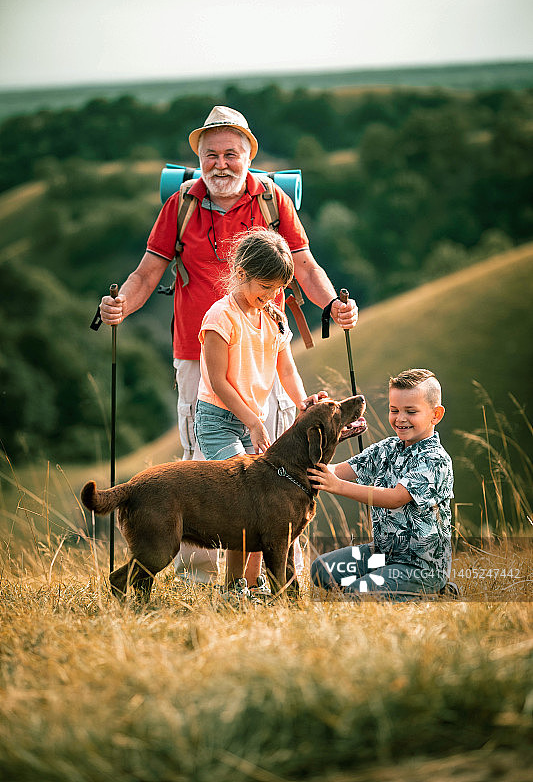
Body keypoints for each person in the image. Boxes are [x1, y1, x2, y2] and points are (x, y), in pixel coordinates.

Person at [99, 105, 358, 581]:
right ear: (199, 159)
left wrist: (333, 306)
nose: (221, 163)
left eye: (231, 154)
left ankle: (274, 580)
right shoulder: (181, 205)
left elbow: (305, 266)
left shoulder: (272, 200)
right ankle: (204, 582)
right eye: (211, 155)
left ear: (248, 155)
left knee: (282, 469)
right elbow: (146, 273)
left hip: (262, 353)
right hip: (197, 355)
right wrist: (119, 307)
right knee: (201, 470)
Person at [195, 228, 327, 591]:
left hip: (253, 419)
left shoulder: (272, 317)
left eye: (278, 289)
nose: (271, 296)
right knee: (243, 502)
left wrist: (303, 402)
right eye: (264, 287)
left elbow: (286, 368)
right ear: (241, 274)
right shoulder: (220, 318)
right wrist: (253, 421)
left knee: (262, 504)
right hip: (219, 420)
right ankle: (233, 587)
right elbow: (218, 381)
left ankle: (251, 586)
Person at [309, 369, 454, 600]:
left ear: (435, 415)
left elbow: (396, 498)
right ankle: (384, 581)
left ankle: (433, 589)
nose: (400, 418)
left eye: (411, 411)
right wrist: (320, 416)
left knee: (359, 594)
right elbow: (338, 470)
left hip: (419, 565)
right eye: (394, 410)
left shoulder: (435, 459)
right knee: (320, 570)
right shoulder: (386, 448)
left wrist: (337, 486)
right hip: (382, 554)